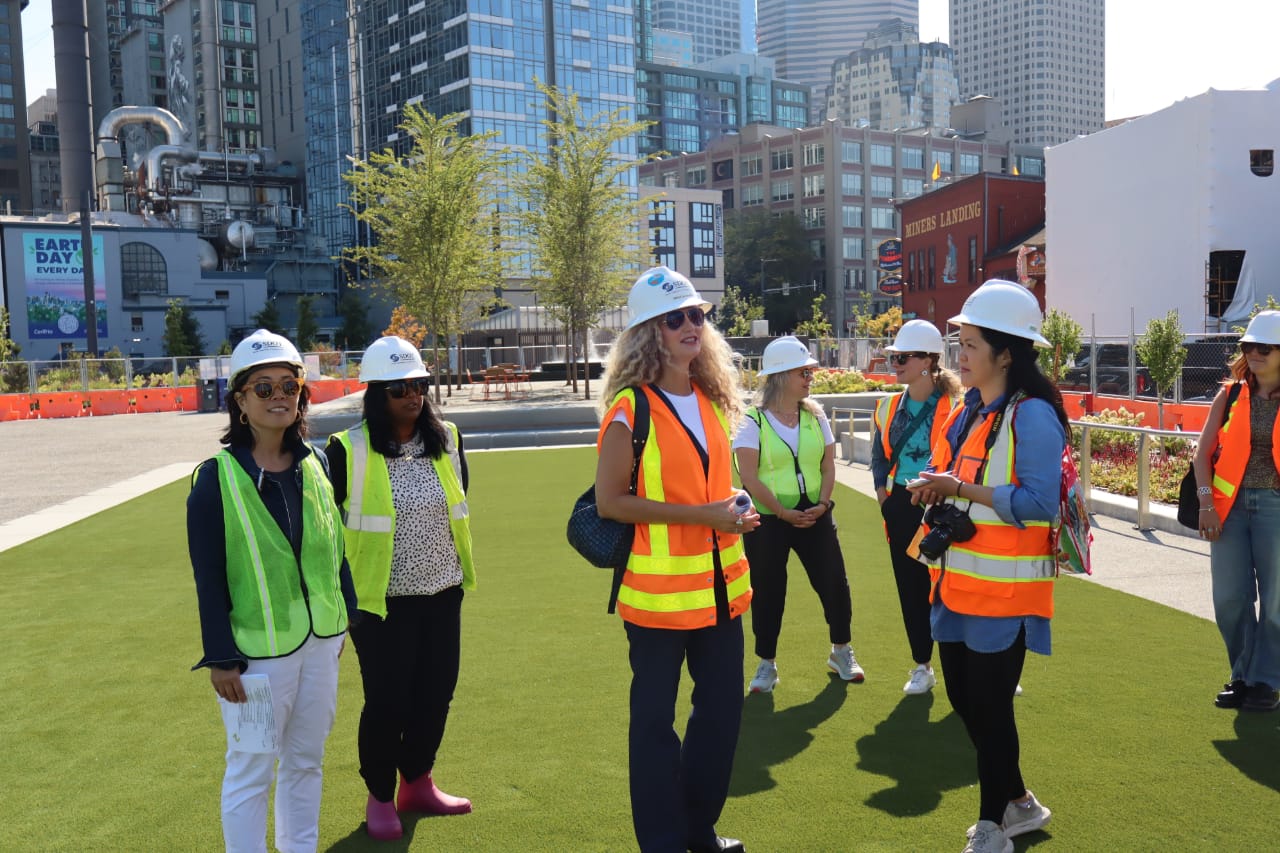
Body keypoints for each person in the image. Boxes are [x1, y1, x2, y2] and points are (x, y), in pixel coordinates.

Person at [594, 265, 760, 853]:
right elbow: (611, 502)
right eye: (675, 318)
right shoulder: (629, 409)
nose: (691, 324)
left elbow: (709, 488)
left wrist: (734, 509)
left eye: (696, 315)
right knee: (654, 728)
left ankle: (698, 830)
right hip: (658, 600)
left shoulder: (712, 400)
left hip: (721, 592)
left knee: (721, 718)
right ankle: (664, 843)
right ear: (649, 333)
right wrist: (706, 516)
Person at [906, 281, 1064, 853]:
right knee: (966, 703)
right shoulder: (967, 410)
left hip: (1005, 595)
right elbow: (950, 472)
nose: (960, 354)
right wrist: (932, 485)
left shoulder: (1033, 416)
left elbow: (1041, 503)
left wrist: (959, 488)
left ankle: (993, 827)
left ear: (1006, 353)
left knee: (992, 712)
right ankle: (1020, 802)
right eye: (960, 342)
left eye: (971, 343)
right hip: (957, 584)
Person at [187, 329, 357, 853]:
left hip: (321, 643)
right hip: (255, 658)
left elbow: (335, 548)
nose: (279, 396)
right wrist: (221, 658)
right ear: (240, 401)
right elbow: (208, 577)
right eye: (263, 388)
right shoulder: (214, 479)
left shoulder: (319, 463)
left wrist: (343, 620)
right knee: (251, 770)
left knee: (306, 761)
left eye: (290, 385)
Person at [325, 336, 477, 841]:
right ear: (376, 394)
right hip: (379, 603)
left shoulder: (448, 438)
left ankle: (418, 781)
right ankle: (380, 795)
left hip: (443, 591)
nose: (412, 395)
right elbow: (329, 532)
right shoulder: (346, 449)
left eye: (418, 384)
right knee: (388, 701)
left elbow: (458, 500)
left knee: (436, 694)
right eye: (398, 388)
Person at [733, 335, 861, 693]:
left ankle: (841, 651)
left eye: (810, 371)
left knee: (834, 583)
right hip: (768, 521)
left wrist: (823, 504)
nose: (810, 377)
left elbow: (828, 464)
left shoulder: (815, 415)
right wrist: (781, 512)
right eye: (803, 372)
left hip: (816, 515)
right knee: (768, 590)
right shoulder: (751, 421)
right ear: (780, 376)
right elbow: (748, 476)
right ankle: (766, 663)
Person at [1193, 310, 1280, 713]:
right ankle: (1242, 675)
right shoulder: (1230, 394)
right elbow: (1201, 455)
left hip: (1275, 509)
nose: (1254, 354)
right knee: (1230, 598)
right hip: (1228, 511)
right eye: (1249, 347)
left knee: (1276, 602)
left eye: (1265, 348)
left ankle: (1265, 682)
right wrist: (1206, 504)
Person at [872, 320, 962, 695]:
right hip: (901, 506)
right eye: (894, 357)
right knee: (911, 588)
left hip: (945, 507)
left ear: (928, 361)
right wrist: (884, 499)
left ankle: (980, 665)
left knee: (955, 587)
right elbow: (879, 457)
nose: (895, 364)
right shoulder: (888, 406)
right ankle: (922, 666)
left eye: (903, 357)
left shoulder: (956, 407)